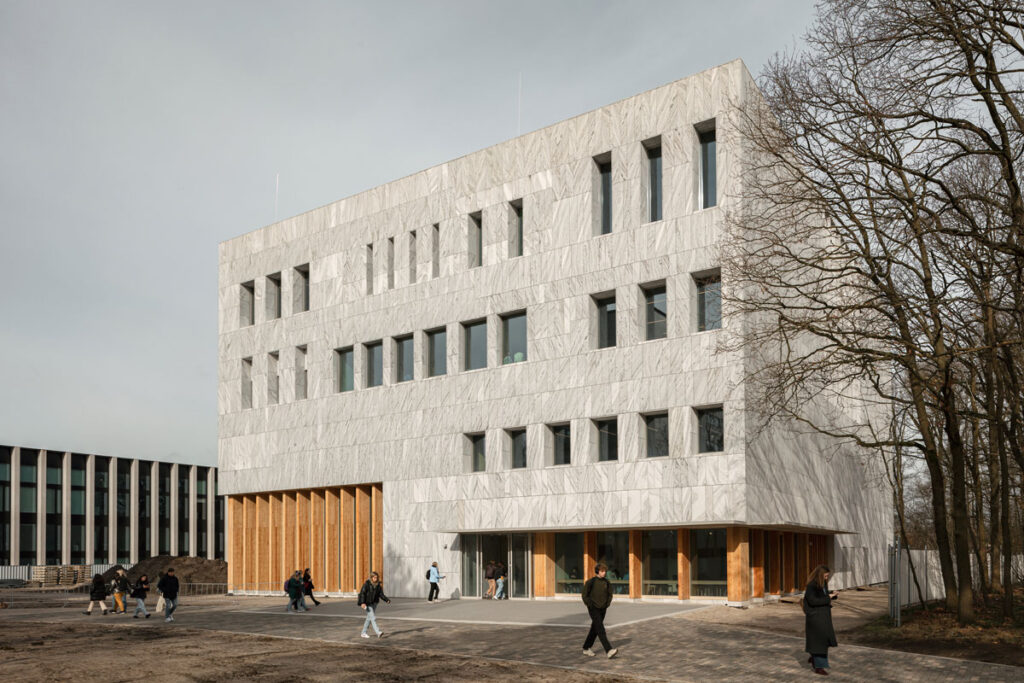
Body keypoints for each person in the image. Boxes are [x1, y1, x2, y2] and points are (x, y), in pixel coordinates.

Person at [804, 564, 838, 675]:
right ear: (820, 575)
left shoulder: (822, 584)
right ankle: (819, 666)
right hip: (816, 619)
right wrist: (828, 597)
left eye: (827, 576)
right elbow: (813, 601)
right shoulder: (811, 586)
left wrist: (832, 594)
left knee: (821, 641)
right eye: (825, 576)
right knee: (820, 642)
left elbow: (822, 595)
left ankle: (814, 656)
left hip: (823, 617)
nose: (827, 578)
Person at [581, 563, 617, 659]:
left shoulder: (607, 582)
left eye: (605, 571)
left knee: (595, 628)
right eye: (602, 571)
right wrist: (590, 605)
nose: (604, 573)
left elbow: (610, 594)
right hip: (593, 608)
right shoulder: (591, 582)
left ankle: (586, 647)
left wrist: (607, 604)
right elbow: (584, 595)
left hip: (603, 609)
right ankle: (609, 650)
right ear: (597, 571)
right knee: (600, 629)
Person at [357, 571, 391, 638]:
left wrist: (386, 600)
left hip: (374, 603)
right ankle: (378, 632)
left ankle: (363, 633)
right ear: (371, 578)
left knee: (369, 618)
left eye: (376, 577)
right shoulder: (367, 584)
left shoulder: (378, 585)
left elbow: (381, 594)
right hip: (367, 603)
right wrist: (362, 603)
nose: (376, 579)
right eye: (374, 577)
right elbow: (362, 593)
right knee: (373, 618)